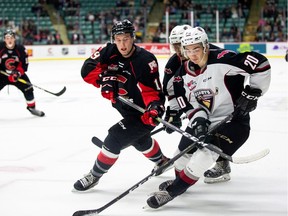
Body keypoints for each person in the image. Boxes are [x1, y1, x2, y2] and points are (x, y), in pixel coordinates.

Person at [146, 26, 271, 208]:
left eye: (195, 49)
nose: (191, 54)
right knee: (179, 157)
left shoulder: (222, 59)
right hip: (208, 118)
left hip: (234, 122)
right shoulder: (181, 74)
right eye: (187, 49)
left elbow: (260, 64)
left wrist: (253, 92)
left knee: (204, 155)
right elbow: (189, 103)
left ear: (205, 45)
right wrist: (199, 122)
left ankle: (173, 191)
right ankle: (181, 181)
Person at [73, 19, 169, 192]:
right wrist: (104, 79)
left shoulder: (145, 60)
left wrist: (154, 108)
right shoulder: (108, 51)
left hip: (144, 113)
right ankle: (162, 161)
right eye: (118, 39)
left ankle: (94, 175)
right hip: (124, 108)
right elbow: (87, 70)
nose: (122, 44)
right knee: (140, 140)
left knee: (114, 138)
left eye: (126, 38)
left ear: (133, 38)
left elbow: (152, 92)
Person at [163, 26, 227, 184]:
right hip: (195, 104)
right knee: (196, 134)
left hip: (219, 102)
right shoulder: (174, 63)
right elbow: (171, 90)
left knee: (217, 134)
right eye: (175, 46)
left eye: (180, 45)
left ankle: (222, 163)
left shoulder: (213, 54)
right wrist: (173, 112)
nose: (178, 50)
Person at [0, 29, 45, 117]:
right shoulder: (0, 47)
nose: (9, 40)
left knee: (28, 88)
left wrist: (17, 74)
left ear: (14, 39)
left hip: (16, 75)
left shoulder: (20, 49)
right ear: (4, 39)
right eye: (7, 38)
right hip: (2, 74)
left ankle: (32, 108)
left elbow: (24, 65)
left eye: (11, 38)